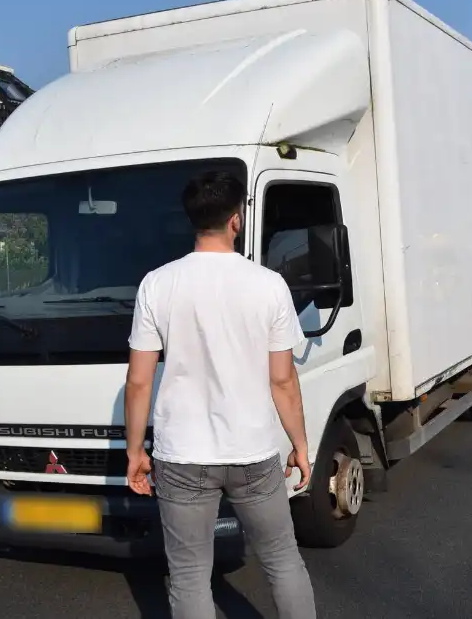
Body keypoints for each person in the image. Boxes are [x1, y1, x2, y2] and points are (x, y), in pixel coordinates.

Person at [123, 171, 317, 619]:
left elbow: (138, 381)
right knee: (282, 560)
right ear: (236, 220)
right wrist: (301, 446)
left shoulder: (157, 284)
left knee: (190, 574)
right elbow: (283, 380)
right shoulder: (269, 284)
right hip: (253, 451)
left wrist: (135, 451)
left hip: (183, 456)